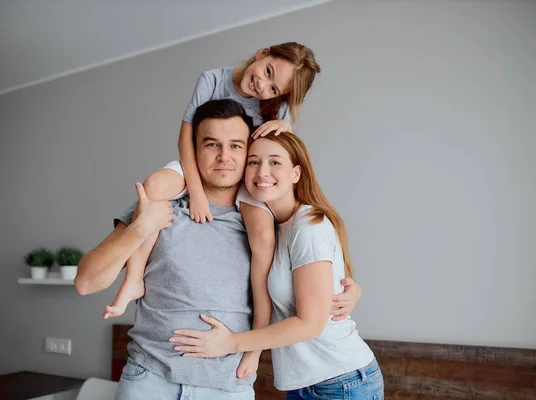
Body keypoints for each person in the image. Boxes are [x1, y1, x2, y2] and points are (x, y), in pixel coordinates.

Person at [75, 100, 363, 399]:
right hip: (150, 380)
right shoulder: (161, 205)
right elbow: (86, 282)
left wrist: (350, 291)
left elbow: (309, 283)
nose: (224, 156)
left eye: (236, 146)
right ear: (193, 152)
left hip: (228, 387)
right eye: (212, 144)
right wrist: (139, 227)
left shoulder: (269, 225)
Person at [104, 41, 321, 379]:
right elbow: (185, 138)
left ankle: (254, 346)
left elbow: (281, 148)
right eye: (266, 72)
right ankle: (134, 279)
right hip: (198, 166)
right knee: (156, 186)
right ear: (262, 52)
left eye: (274, 87)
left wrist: (286, 128)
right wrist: (196, 192)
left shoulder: (276, 106)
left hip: (243, 176)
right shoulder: (213, 79)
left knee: (264, 241)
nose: (262, 87)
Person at [169, 132, 384, 399]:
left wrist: (232, 343)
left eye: (275, 162)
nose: (262, 172)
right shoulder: (277, 226)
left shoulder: (309, 227)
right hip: (306, 384)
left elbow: (310, 324)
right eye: (253, 162)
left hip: (341, 382)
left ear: (296, 173)